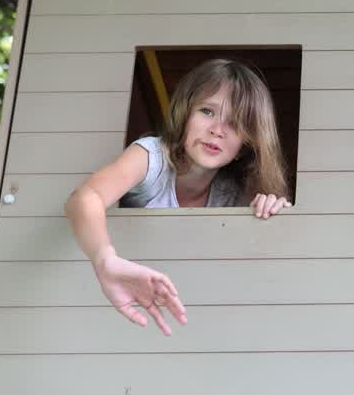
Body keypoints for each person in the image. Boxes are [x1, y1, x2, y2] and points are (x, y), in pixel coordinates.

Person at [64, 58, 291, 334]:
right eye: (207, 111)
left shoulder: (233, 192)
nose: (217, 130)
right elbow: (85, 197)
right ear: (185, 113)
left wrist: (275, 213)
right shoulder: (153, 157)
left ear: (247, 144)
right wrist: (105, 260)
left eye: (235, 123)